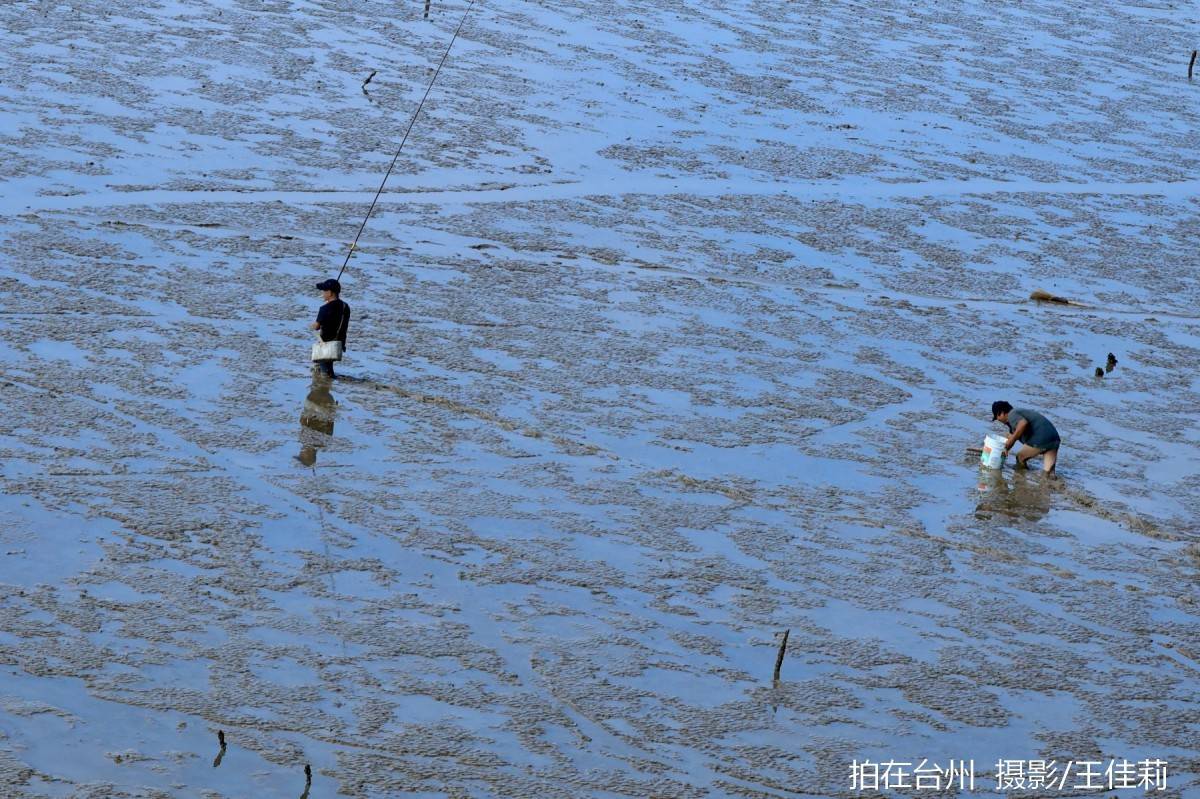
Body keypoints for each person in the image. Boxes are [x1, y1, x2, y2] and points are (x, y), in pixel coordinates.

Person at [991, 401, 1060, 473]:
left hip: (1042, 439)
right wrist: (992, 450)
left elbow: (1023, 424)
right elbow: (1010, 438)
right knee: (1048, 473)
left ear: (1001, 413)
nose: (999, 420)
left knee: (1020, 457)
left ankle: (1021, 479)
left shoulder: (1012, 414)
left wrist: (1008, 446)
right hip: (1054, 439)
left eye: (997, 417)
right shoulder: (1017, 416)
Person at [311, 278, 350, 379]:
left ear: (330, 292)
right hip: (338, 344)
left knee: (324, 374)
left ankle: (327, 385)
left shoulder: (324, 308)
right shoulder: (345, 307)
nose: (323, 294)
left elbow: (316, 327)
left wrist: (312, 325)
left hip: (325, 345)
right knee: (329, 368)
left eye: (324, 291)